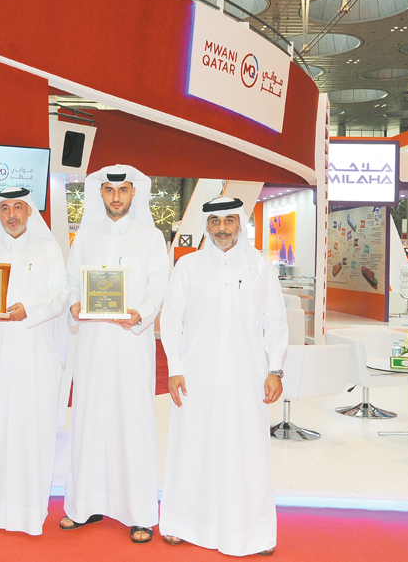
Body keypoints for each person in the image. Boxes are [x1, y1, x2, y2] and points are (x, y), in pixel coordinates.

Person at [158, 197, 287, 556]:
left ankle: (253, 532)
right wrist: (175, 368)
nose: (222, 229)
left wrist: (275, 368)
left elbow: (275, 320)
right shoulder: (188, 267)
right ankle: (182, 523)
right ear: (207, 226)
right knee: (191, 448)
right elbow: (171, 321)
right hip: (196, 377)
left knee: (246, 452)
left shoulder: (261, 266)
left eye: (229, 220)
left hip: (248, 378)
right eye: (215, 221)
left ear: (240, 223)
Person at [61, 165, 168, 544]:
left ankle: (138, 512)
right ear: (100, 194)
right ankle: (83, 505)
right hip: (91, 344)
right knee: (90, 421)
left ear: (133, 194)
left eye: (122, 190)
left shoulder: (151, 237)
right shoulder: (85, 236)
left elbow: (159, 286)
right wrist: (74, 303)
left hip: (130, 344)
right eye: (109, 190)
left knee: (131, 423)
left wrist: (140, 313)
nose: (116, 197)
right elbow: (72, 282)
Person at [0, 187, 68, 535]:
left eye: (18, 207)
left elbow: (60, 295)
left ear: (29, 212)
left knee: (30, 425)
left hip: (35, 351)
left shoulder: (48, 248)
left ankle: (27, 509)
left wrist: (28, 311)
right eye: (5, 208)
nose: (12, 215)